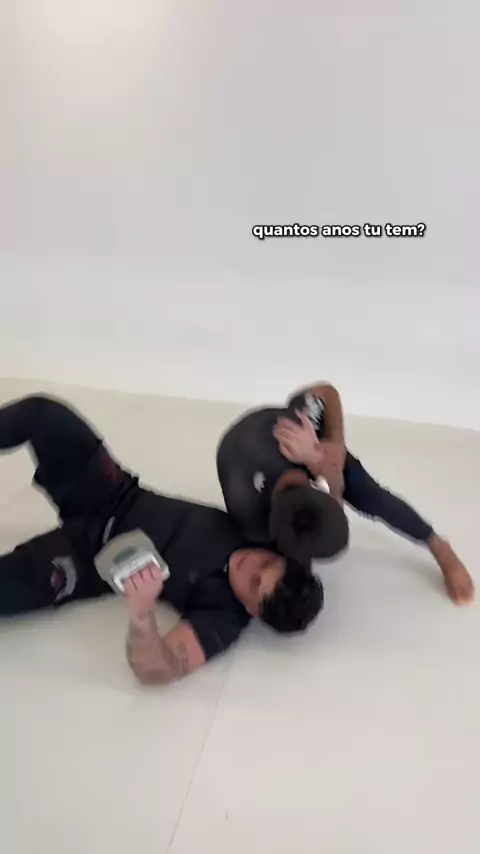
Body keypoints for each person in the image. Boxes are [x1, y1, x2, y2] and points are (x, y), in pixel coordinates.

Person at [0, 395, 323, 684]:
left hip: (88, 559)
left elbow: (155, 670)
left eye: (254, 583)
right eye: (266, 562)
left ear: (252, 610)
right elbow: (328, 495)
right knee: (42, 415)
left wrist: (142, 613)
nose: (249, 564)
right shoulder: (273, 535)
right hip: (112, 492)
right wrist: (315, 455)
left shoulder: (223, 618)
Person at [216, 382, 474, 606]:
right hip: (250, 460)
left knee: (371, 496)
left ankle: (437, 544)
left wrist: (332, 445)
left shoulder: (300, 427)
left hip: (313, 453)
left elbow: (327, 391)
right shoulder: (249, 510)